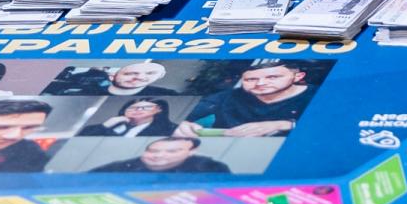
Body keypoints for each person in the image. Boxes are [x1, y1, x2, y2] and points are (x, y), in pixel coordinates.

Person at [176, 60, 315, 138]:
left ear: (298, 77)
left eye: (272, 77)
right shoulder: (227, 96)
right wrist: (182, 124)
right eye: (251, 79)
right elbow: (183, 115)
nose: (260, 83)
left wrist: (285, 125)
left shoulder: (316, 95)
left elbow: (325, 130)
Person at [91, 134, 230, 174]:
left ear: (191, 153)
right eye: (153, 151)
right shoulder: (118, 168)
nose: (159, 155)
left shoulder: (210, 169)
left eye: (172, 151)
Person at [44, 61, 174, 97]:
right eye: (130, 74)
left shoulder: (167, 95)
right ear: (112, 76)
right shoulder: (77, 92)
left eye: (150, 73)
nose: (140, 77)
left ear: (159, 77)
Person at [83, 96, 178, 138]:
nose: (138, 110)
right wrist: (105, 125)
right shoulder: (111, 125)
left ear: (159, 110)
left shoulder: (171, 129)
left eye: (146, 107)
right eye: (132, 108)